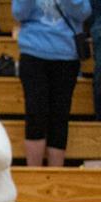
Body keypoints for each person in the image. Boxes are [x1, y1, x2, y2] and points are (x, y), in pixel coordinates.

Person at [13, 0, 90, 166]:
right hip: (33, 52)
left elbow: (84, 13)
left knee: (60, 116)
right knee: (35, 113)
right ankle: (34, 175)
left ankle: (57, 174)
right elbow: (19, 13)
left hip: (66, 55)